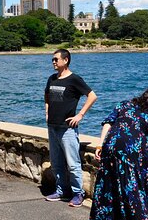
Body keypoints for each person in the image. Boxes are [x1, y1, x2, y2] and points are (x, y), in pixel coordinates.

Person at [90, 88, 148, 220]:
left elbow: (108, 122)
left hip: (110, 146)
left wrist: (100, 145)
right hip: (132, 150)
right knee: (141, 187)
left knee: (109, 186)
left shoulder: (125, 104)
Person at [44, 48, 97, 207]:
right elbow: (46, 96)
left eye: (56, 59)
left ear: (65, 60)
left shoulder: (74, 79)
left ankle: (78, 193)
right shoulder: (52, 78)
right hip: (52, 127)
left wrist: (80, 115)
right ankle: (61, 190)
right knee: (56, 162)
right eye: (52, 60)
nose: (53, 62)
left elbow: (92, 96)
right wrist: (47, 112)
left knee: (73, 164)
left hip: (67, 128)